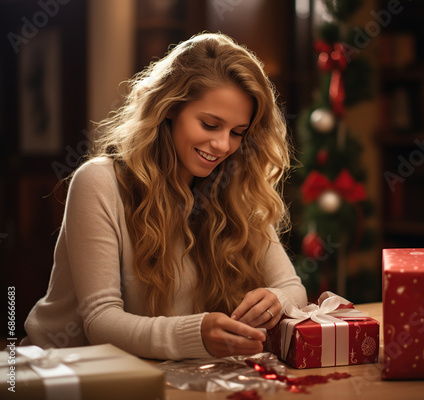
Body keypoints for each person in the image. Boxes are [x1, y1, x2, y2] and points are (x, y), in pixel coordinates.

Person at [22, 32, 307, 360]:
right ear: (169, 108)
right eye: (210, 124)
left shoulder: (234, 186)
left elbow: (292, 287)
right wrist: (195, 333)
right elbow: (99, 322)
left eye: (237, 133)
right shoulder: (99, 183)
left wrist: (275, 301)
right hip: (63, 372)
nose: (224, 145)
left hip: (163, 375)